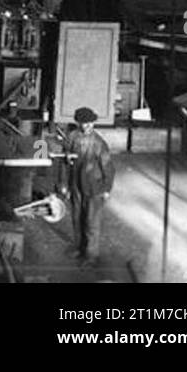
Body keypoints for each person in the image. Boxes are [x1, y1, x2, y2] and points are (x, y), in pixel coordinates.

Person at [58, 106, 114, 265]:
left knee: (91, 222)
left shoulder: (99, 143)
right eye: (84, 123)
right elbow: (64, 162)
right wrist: (64, 184)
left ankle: (91, 255)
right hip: (76, 184)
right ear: (78, 123)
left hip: (94, 187)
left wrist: (106, 188)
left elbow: (109, 167)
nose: (88, 126)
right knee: (77, 218)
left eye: (91, 123)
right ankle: (79, 247)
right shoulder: (72, 137)